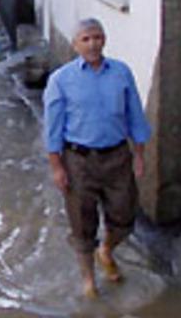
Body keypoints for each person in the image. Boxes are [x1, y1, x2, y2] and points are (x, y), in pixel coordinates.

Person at [42, 18, 151, 299]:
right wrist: (57, 167)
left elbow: (135, 115)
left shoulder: (121, 73)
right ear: (75, 44)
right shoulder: (61, 80)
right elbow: (52, 129)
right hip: (78, 160)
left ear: (104, 40)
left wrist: (139, 155)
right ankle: (89, 280)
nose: (93, 44)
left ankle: (107, 250)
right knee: (82, 222)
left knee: (125, 216)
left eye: (97, 37)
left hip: (117, 156)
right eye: (86, 39)